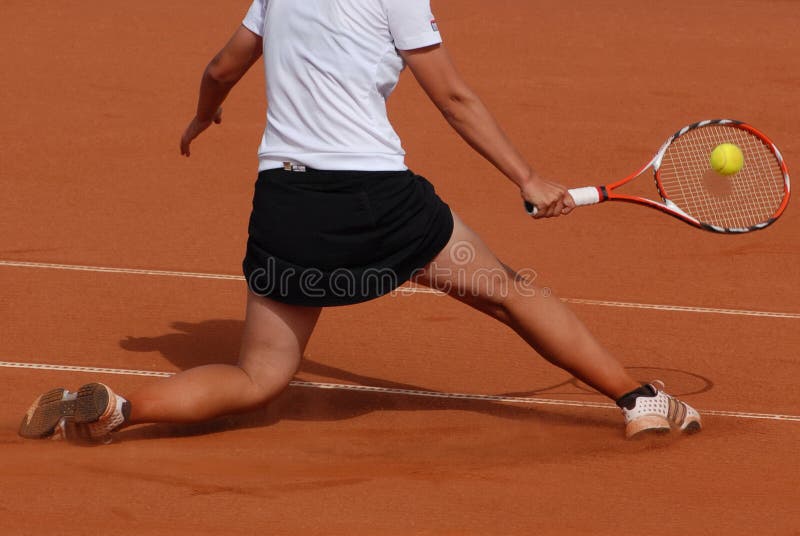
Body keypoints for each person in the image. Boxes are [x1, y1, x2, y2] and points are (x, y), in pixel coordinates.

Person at [19, 0, 700, 442]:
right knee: (511, 292)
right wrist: (526, 178)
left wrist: (203, 113)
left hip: (288, 209)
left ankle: (118, 410)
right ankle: (641, 401)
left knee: (258, 379)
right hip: (383, 204)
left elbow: (222, 65)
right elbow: (455, 98)